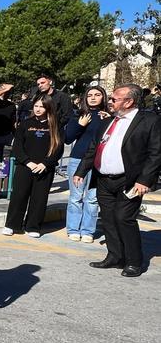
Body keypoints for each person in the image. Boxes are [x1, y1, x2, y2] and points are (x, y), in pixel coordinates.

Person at [74, 83, 161, 277]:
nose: (110, 102)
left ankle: (134, 261)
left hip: (130, 180)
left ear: (129, 101)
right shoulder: (109, 121)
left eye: (115, 99)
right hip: (104, 179)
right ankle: (115, 256)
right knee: (108, 218)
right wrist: (81, 171)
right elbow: (94, 148)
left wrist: (145, 180)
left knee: (124, 218)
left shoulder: (149, 121)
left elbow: (156, 153)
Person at [3, 94, 64, 238]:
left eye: (41, 106)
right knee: (19, 196)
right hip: (25, 166)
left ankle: (33, 226)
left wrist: (45, 163)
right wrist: (27, 162)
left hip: (44, 168)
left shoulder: (56, 126)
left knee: (39, 198)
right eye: (36, 106)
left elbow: (58, 149)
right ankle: (12, 225)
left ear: (48, 107)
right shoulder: (25, 124)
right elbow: (17, 147)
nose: (38, 109)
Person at [64, 86, 109, 242]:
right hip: (77, 159)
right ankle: (73, 229)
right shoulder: (78, 114)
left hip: (99, 161)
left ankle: (88, 231)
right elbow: (67, 138)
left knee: (92, 198)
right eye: (90, 95)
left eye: (97, 95)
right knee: (76, 197)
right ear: (85, 98)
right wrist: (80, 125)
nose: (93, 98)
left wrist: (108, 121)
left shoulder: (108, 116)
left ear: (103, 97)